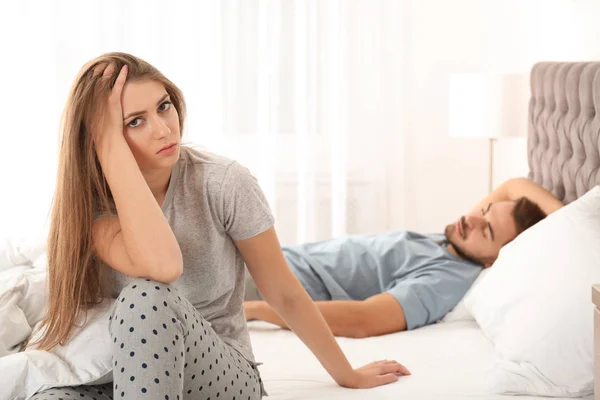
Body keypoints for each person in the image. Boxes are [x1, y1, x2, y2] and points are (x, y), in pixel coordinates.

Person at [27, 52, 410, 400]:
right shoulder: (93, 208)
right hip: (121, 373)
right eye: (135, 122)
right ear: (101, 139)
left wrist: (346, 374)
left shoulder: (222, 182)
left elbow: (281, 291)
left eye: (164, 107)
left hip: (220, 371)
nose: (163, 129)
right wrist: (108, 146)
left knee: (146, 297)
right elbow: (155, 263)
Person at [244, 178, 564, 338]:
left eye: (488, 231)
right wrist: (562, 219)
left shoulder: (445, 279)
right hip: (261, 259)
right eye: (484, 210)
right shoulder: (457, 239)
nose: (474, 219)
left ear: (495, 261)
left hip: (262, 286)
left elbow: (364, 320)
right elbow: (514, 187)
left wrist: (257, 310)